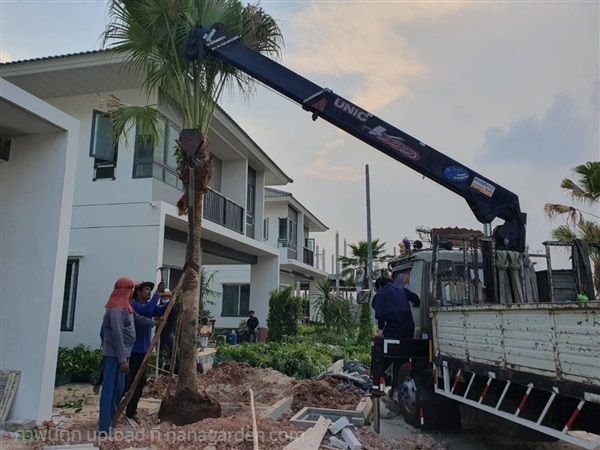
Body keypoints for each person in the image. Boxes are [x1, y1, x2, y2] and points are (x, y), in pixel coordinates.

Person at [98, 277, 156, 434]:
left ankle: (111, 418)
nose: (132, 293)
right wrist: (123, 360)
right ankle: (104, 426)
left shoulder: (126, 307)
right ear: (125, 291)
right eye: (131, 290)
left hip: (124, 355)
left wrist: (155, 323)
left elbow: (138, 318)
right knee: (110, 388)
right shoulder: (116, 309)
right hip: (115, 356)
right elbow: (117, 334)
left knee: (119, 388)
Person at [125, 281, 166, 423]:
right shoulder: (135, 306)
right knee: (129, 383)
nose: (149, 292)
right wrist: (157, 294)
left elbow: (159, 311)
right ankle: (116, 409)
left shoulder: (146, 306)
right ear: (138, 292)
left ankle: (131, 411)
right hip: (134, 352)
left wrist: (173, 301)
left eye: (150, 290)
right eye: (147, 289)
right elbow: (149, 311)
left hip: (144, 351)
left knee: (140, 383)